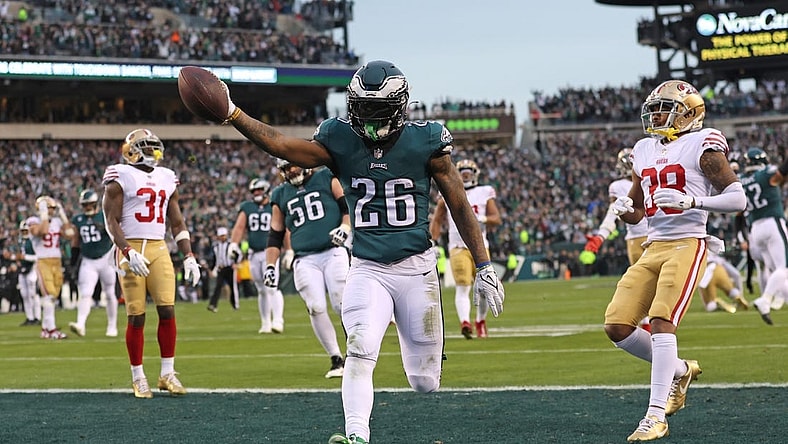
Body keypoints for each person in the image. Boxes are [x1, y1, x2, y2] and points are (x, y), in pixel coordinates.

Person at [189, 59, 505, 444]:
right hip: (367, 267)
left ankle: (424, 357)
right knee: (359, 349)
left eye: (376, 110)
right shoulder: (338, 139)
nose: (367, 118)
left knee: (424, 382)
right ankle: (357, 436)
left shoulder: (427, 141)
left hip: (417, 269)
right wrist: (234, 114)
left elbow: (457, 203)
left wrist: (484, 263)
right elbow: (281, 144)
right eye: (361, 108)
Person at [603, 80, 746, 442]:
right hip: (653, 245)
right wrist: (625, 211)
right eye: (656, 109)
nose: (659, 116)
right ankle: (681, 370)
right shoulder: (644, 149)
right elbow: (638, 211)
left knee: (662, 320)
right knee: (617, 326)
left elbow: (737, 199)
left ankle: (655, 417)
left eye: (668, 108)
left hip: (688, 241)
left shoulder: (703, 144)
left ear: (691, 113)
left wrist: (694, 202)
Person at [102, 128, 201, 399]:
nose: (153, 152)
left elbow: (177, 222)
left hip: (159, 247)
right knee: (136, 315)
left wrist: (189, 255)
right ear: (131, 149)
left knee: (167, 310)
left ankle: (167, 373)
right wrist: (126, 251)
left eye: (155, 147)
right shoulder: (119, 175)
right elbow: (110, 222)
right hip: (130, 245)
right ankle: (138, 376)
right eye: (146, 147)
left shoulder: (167, 177)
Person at [265, 159, 349, 378]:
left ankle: (356, 354)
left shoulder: (325, 177)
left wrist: (345, 226)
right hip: (305, 258)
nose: (291, 170)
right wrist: (270, 266)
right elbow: (275, 235)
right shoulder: (280, 194)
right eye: (286, 168)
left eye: (293, 164)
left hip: (333, 251)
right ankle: (336, 358)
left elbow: (347, 206)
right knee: (316, 306)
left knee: (342, 303)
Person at [429, 159, 501, 339]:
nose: (466, 174)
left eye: (469, 171)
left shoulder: (484, 192)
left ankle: (480, 320)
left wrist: (482, 219)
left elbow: (496, 218)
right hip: (457, 246)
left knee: (485, 288)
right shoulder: (448, 191)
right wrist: (434, 242)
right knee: (462, 286)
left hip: (480, 246)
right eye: (463, 171)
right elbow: (437, 219)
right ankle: (465, 322)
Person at [581, 147, 651, 331]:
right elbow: (614, 212)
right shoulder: (647, 179)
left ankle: (648, 325)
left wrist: (600, 236)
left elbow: (613, 214)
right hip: (652, 237)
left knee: (646, 285)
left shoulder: (621, 185)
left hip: (640, 239)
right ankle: (650, 326)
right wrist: (600, 236)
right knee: (652, 285)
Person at [228, 178, 286, 334]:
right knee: (261, 289)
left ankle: (278, 320)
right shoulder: (247, 207)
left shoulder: (274, 205)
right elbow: (239, 227)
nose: (256, 193)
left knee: (272, 287)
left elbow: (283, 227)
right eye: (254, 191)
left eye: (259, 190)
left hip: (270, 252)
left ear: (266, 190)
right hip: (254, 253)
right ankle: (266, 322)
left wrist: (289, 249)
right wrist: (234, 243)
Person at [738, 147, 788, 325]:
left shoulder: (741, 180)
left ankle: (769, 299)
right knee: (784, 267)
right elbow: (782, 171)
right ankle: (765, 299)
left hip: (755, 230)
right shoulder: (766, 173)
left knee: (777, 271)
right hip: (772, 222)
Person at [68, 189, 119, 337]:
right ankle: (80, 324)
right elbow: (76, 241)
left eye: (89, 204)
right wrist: (73, 261)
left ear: (95, 203)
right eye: (84, 205)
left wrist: (105, 229)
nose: (86, 208)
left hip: (106, 258)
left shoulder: (104, 216)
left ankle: (112, 326)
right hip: (88, 260)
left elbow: (115, 235)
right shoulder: (78, 220)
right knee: (85, 293)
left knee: (110, 293)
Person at [27, 195, 74, 339]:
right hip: (43, 261)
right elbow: (43, 231)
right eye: (50, 208)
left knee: (53, 296)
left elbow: (70, 234)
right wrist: (43, 214)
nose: (53, 211)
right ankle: (52, 329)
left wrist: (63, 216)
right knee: (49, 295)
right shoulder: (33, 221)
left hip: (57, 261)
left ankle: (46, 329)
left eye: (54, 208)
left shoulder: (57, 221)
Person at [696, 249, 747, 313]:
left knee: (710, 304)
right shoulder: (712, 248)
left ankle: (715, 303)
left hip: (705, 271)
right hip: (718, 267)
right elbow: (736, 274)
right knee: (730, 289)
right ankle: (736, 295)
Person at [14, 220, 40, 326]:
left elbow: (38, 257)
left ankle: (37, 317)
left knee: (33, 294)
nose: (24, 233)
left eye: (26, 231)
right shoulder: (20, 242)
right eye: (23, 231)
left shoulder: (34, 241)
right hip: (22, 270)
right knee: (24, 294)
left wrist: (25, 257)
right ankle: (30, 317)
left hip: (32, 269)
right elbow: (19, 256)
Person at [207, 227, 238, 312]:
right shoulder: (216, 246)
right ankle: (213, 305)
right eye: (221, 236)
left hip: (229, 268)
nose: (223, 237)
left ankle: (235, 305)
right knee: (218, 286)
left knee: (232, 287)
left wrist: (235, 263)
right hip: (220, 268)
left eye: (224, 235)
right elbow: (214, 259)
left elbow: (238, 255)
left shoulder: (231, 245)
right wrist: (211, 269)